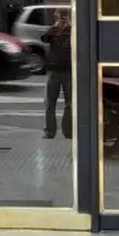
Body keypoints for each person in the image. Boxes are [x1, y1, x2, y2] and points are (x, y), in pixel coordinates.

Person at [41, 8, 73, 139]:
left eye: (62, 18)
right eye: (58, 18)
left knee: (70, 103)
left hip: (68, 71)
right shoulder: (53, 31)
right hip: (53, 70)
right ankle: (50, 131)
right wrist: (55, 28)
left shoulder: (72, 31)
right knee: (49, 103)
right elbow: (44, 38)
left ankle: (68, 131)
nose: (60, 21)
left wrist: (69, 27)